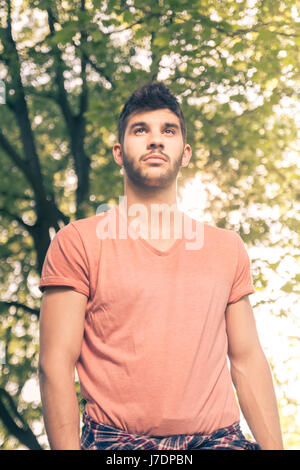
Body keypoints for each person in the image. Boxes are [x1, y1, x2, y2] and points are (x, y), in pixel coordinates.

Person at [38, 82, 284, 450]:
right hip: (117, 443)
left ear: (184, 154)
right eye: (141, 130)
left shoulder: (227, 248)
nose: (155, 140)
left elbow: (247, 360)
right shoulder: (77, 242)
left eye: (167, 130)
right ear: (119, 153)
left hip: (218, 440)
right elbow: (55, 364)